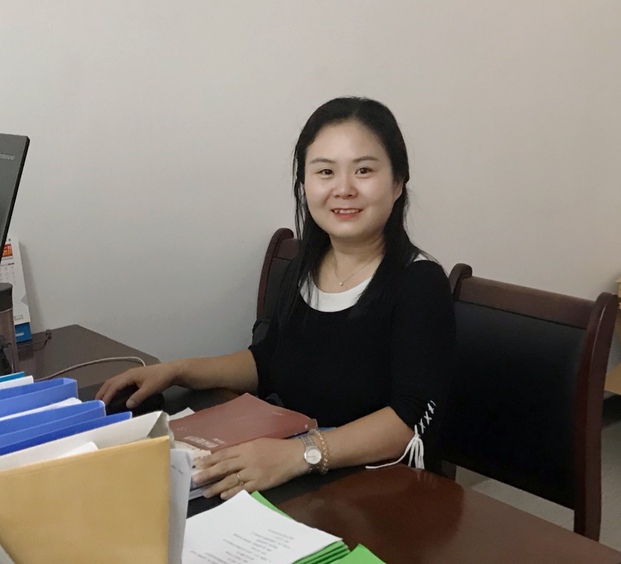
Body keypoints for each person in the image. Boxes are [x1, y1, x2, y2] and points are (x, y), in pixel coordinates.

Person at [97, 97, 455, 500]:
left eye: (364, 170)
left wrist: (299, 455)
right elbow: (268, 361)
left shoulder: (419, 283)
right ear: (305, 184)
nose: (343, 189)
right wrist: (177, 371)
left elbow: (410, 420)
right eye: (325, 171)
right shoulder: (301, 268)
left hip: (385, 492)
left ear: (397, 182)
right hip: (307, 480)